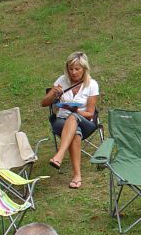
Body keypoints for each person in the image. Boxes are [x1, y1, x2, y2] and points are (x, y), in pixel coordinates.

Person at [41, 51, 100, 189]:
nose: (73, 72)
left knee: (74, 118)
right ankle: (77, 176)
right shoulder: (61, 81)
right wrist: (53, 95)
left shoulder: (92, 84)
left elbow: (90, 114)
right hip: (61, 120)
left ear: (84, 69)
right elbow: (43, 103)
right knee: (75, 133)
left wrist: (76, 111)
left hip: (85, 121)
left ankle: (59, 155)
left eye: (77, 69)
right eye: (70, 68)